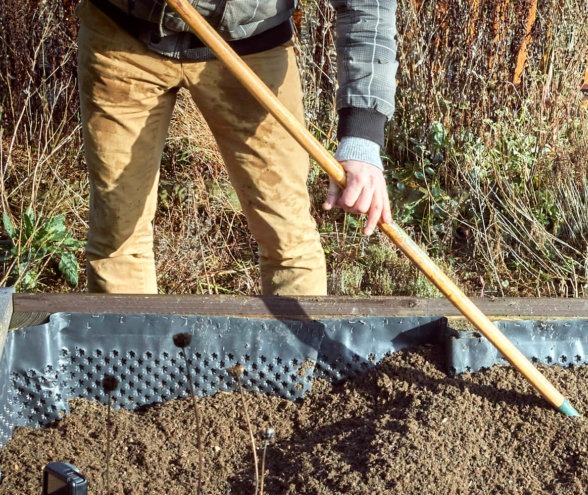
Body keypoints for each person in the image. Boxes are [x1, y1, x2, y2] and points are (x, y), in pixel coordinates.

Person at [76, 0, 398, 295]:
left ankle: (296, 359)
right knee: (118, 237)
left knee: (288, 240)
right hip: (123, 34)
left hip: (254, 45)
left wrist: (361, 133)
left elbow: (366, 4)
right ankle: (130, 354)